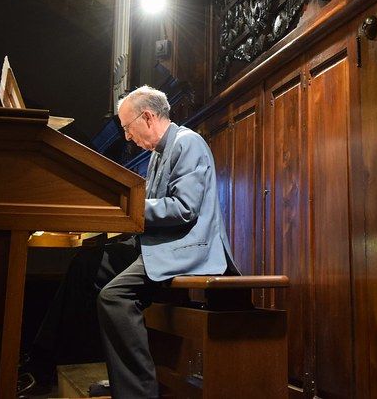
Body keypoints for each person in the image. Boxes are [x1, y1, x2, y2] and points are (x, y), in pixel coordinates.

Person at [20, 85, 237, 399]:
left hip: (186, 247)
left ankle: (138, 392)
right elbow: (149, 212)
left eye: (126, 127)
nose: (126, 137)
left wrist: (125, 207)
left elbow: (184, 209)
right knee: (85, 265)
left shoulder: (187, 144)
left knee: (114, 298)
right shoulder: (158, 153)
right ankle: (45, 359)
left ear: (147, 117)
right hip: (161, 243)